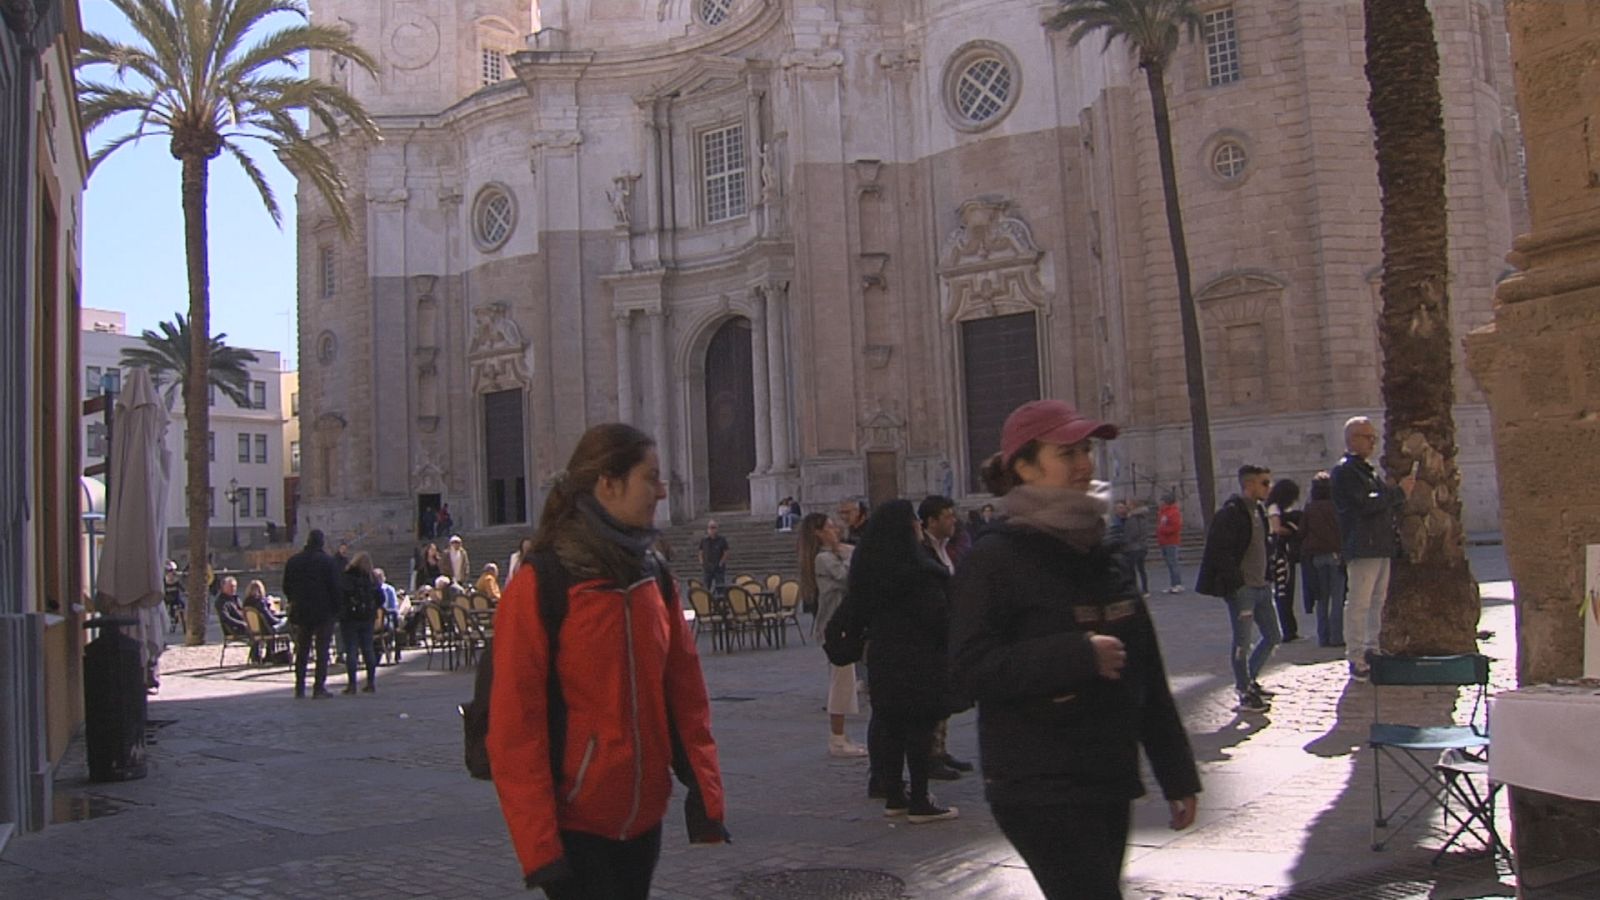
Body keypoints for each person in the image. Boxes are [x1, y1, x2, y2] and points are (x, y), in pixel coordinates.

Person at [949, 399, 1200, 899]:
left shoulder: (1103, 553)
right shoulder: (994, 559)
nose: (1085, 463)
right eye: (1067, 452)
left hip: (1107, 773)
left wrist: (1177, 774)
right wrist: (1074, 656)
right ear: (1023, 465)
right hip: (1036, 780)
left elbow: (1146, 668)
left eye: (1085, 448)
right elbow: (968, 670)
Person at [488, 423, 727, 898]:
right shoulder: (543, 585)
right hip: (576, 825)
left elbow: (685, 695)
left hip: (643, 818)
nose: (661, 491)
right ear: (608, 484)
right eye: (651, 477)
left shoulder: (654, 576)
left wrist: (705, 792)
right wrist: (541, 851)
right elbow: (516, 728)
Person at [846, 499, 959, 823]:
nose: (918, 527)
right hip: (919, 659)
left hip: (883, 657)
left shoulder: (870, 569)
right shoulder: (918, 571)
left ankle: (895, 796)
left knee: (892, 728)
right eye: (914, 522)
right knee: (920, 730)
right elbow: (938, 619)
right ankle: (921, 800)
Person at [1331, 416, 1416, 680]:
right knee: (1359, 602)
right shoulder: (1346, 470)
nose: (1372, 442)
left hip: (1380, 544)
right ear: (1353, 439)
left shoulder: (1366, 469)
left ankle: (1373, 648)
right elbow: (1364, 504)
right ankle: (1356, 655)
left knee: (1377, 601)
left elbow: (1381, 502)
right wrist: (1398, 493)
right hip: (1363, 544)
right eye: (1368, 437)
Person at [1196, 465, 1279, 713]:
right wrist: (1236, 582)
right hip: (1243, 589)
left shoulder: (1260, 511)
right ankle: (1244, 690)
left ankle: (1249, 679)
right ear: (1249, 484)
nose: (1269, 488)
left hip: (1262, 586)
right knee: (1242, 640)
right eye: (1264, 483)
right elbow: (1220, 551)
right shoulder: (1231, 514)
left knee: (1274, 635)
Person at [798, 511, 868, 758]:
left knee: (845, 681)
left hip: (843, 624)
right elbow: (848, 577)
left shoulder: (833, 555)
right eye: (829, 527)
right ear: (818, 533)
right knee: (841, 682)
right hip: (834, 626)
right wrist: (847, 553)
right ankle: (836, 738)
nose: (835, 529)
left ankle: (842, 735)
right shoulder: (823, 558)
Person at [916, 494, 971, 781]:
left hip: (947, 629)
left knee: (944, 692)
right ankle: (929, 755)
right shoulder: (922, 549)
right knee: (933, 694)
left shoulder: (944, 547)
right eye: (948, 516)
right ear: (931, 521)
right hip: (931, 634)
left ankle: (940, 748)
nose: (954, 521)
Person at [283, 529, 343, 699]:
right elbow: (335, 588)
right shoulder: (328, 562)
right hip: (324, 612)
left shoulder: (294, 561)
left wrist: (295, 599)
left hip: (302, 610)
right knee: (322, 650)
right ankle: (319, 687)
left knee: (302, 649)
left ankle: (300, 686)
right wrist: (336, 609)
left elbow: (286, 587)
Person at [1298, 473, 1345, 647]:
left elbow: (1301, 532)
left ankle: (1323, 636)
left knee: (1322, 599)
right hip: (1335, 555)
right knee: (1337, 598)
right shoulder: (1338, 506)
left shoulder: (1310, 508)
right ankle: (1337, 636)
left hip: (1316, 557)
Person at [1265, 479, 1304, 643]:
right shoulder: (1274, 508)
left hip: (1284, 553)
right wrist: (1293, 530)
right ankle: (1287, 629)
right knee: (1283, 590)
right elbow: (1276, 528)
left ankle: (1290, 628)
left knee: (1287, 591)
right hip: (1280, 554)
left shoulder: (1279, 508)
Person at [339, 552, 381, 694]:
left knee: (351, 650)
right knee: (368, 649)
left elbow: (341, 596)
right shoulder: (372, 578)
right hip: (367, 617)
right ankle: (370, 682)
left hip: (350, 618)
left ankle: (352, 684)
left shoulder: (347, 577)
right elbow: (380, 597)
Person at [1111, 500, 1152, 597]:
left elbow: (1133, 533)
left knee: (1132, 570)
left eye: (1128, 504)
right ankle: (1145, 589)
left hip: (1134, 548)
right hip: (1142, 546)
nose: (1126, 506)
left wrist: (1125, 541)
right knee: (1141, 569)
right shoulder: (1142, 517)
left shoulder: (1133, 518)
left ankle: (1137, 589)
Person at [1156, 493, 1184, 593]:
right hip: (1164, 541)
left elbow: (1175, 527)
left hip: (1171, 541)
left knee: (1173, 563)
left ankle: (1178, 584)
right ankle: (1173, 584)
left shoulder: (1173, 512)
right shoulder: (1163, 512)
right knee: (1169, 563)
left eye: (1162, 501)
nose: (1160, 503)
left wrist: (1162, 530)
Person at [374, 567, 402, 661]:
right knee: (394, 623)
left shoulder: (388, 589)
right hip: (379, 621)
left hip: (379, 621)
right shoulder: (387, 589)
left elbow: (393, 607)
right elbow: (393, 608)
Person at [697, 520, 729, 592]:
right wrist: (701, 561)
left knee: (720, 587)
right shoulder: (704, 540)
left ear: (717, 529)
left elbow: (726, 552)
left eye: (713, 527)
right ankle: (707, 601)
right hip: (707, 567)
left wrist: (721, 562)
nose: (711, 529)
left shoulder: (722, 539)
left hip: (718, 567)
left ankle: (719, 601)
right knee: (706, 587)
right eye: (710, 528)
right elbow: (700, 551)